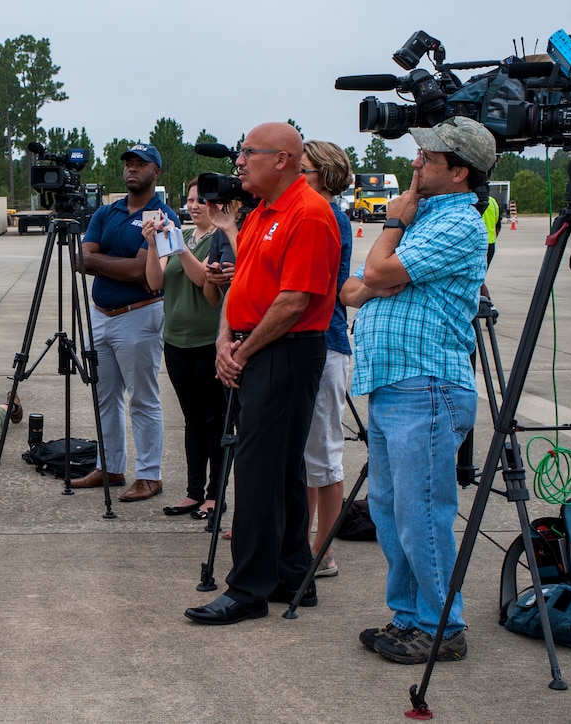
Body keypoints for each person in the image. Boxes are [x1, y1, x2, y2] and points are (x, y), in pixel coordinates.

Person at [340, 116, 494, 664]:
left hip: (425, 385)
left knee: (421, 511)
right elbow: (358, 288)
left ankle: (441, 626)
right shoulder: (425, 217)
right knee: (387, 509)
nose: (415, 163)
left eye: (427, 157)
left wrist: (391, 224)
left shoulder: (457, 224)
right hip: (392, 384)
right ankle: (409, 617)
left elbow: (375, 275)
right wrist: (379, 270)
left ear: (459, 172)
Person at [185, 122, 340, 625]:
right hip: (255, 346)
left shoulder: (309, 214)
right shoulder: (259, 215)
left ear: (283, 159)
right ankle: (291, 575)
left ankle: (247, 589)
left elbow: (295, 301)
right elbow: (241, 282)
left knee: (255, 470)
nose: (239, 161)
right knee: (280, 469)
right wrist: (225, 338)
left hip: (287, 351)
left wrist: (243, 349)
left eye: (249, 152)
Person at [68, 143, 179, 502]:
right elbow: (79, 259)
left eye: (140, 164)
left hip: (139, 316)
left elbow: (141, 273)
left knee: (143, 399)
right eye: (129, 163)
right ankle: (110, 466)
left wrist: (103, 262)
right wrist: (122, 265)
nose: (132, 169)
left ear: (156, 172)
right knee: (104, 398)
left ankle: (149, 475)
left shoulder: (162, 216)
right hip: (100, 317)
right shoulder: (107, 212)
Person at [142, 178, 227, 517]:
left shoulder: (219, 239)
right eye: (190, 200)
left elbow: (204, 281)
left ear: (216, 205)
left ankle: (215, 495)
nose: (193, 206)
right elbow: (155, 282)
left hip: (208, 341)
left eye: (201, 201)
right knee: (192, 420)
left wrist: (180, 248)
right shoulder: (185, 237)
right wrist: (152, 245)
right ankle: (194, 491)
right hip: (176, 341)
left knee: (215, 420)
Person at [299, 141, 354, 577]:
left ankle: (323, 553)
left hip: (327, 344)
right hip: (315, 343)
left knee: (323, 454)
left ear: (326, 174)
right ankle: (304, 541)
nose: (298, 177)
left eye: (305, 171)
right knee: (308, 456)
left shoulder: (329, 216)